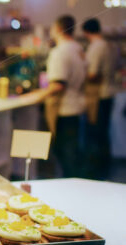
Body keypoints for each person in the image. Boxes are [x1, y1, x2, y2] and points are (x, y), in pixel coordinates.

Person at [35, 15, 86, 177]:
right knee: (72, 153)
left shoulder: (59, 52)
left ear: (58, 29)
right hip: (77, 105)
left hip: (63, 109)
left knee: (65, 155)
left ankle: (70, 189)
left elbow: (58, 84)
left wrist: (36, 95)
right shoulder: (78, 48)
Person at [82, 18, 114, 179]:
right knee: (103, 133)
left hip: (99, 95)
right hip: (109, 93)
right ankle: (104, 169)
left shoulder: (96, 47)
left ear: (86, 32)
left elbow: (93, 74)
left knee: (97, 134)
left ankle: (97, 172)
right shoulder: (108, 45)